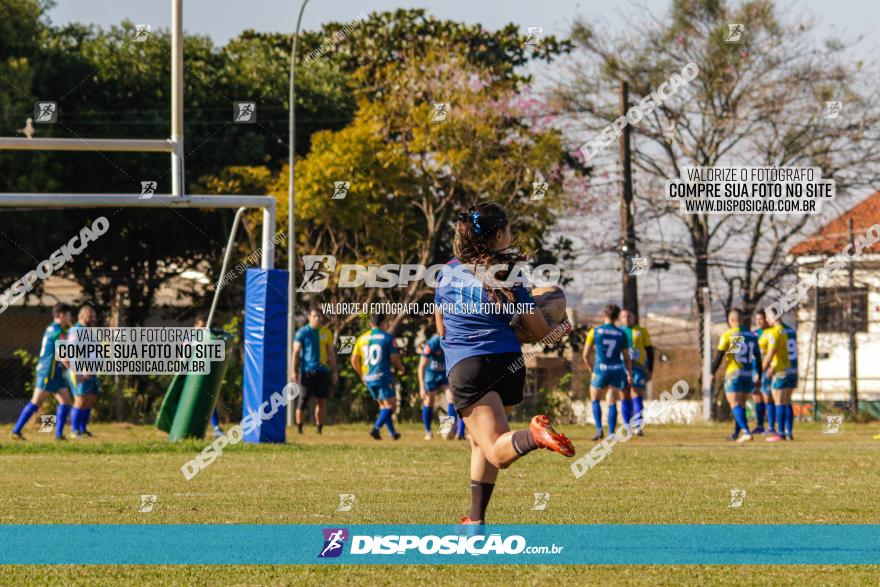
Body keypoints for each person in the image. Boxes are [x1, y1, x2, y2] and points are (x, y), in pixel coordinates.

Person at [436, 202, 574, 525]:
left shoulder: (446, 272)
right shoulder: (509, 275)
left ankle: (535, 435)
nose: (511, 235)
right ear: (498, 235)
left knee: (499, 451)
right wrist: (560, 328)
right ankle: (475, 520)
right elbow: (540, 331)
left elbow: (441, 328)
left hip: (469, 368)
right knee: (480, 443)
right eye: (508, 229)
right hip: (509, 365)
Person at [11, 303, 74, 440]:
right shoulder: (59, 332)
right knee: (36, 402)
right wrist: (74, 369)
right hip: (48, 373)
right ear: (61, 315)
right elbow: (63, 355)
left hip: (54, 372)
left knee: (66, 401)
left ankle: (58, 435)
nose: (70, 317)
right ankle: (16, 431)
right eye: (69, 315)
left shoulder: (51, 328)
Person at [583, 304, 633, 441]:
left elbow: (585, 355)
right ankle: (611, 433)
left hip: (601, 370)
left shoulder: (594, 331)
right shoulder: (622, 334)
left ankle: (599, 429)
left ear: (604, 315)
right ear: (617, 316)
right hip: (616, 370)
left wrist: (592, 369)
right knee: (611, 400)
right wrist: (629, 373)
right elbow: (627, 357)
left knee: (595, 399)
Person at [710, 309, 761, 443]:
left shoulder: (732, 334)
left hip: (735, 373)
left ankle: (746, 432)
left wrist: (712, 372)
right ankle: (736, 434)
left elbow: (721, 356)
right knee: (741, 405)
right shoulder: (751, 335)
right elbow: (758, 357)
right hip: (748, 373)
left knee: (735, 403)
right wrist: (759, 375)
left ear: (731, 320)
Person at [352, 314, 404, 440]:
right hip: (382, 376)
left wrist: (361, 375)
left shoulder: (361, 338)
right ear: (382, 324)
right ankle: (375, 429)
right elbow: (394, 358)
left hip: (368, 378)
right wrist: (400, 367)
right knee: (391, 406)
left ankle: (393, 434)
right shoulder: (387, 337)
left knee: (383, 406)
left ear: (370, 324)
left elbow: (354, 360)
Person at [291, 307, 337, 434]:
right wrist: (293, 371)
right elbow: (295, 352)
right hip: (307, 371)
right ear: (309, 317)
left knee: (321, 401)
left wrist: (334, 371)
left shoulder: (326, 332)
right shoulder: (302, 332)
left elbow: (331, 354)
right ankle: (299, 428)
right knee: (303, 399)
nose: (317, 318)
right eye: (314, 316)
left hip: (323, 372)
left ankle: (319, 429)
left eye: (319, 316)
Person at [418, 332, 464, 440]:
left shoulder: (453, 341)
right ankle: (428, 432)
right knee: (429, 400)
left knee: (451, 398)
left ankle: (446, 429)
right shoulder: (432, 343)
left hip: (444, 375)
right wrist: (422, 386)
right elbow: (422, 366)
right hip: (431, 375)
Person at [763, 312, 797, 442]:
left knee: (777, 401)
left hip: (779, 371)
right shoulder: (790, 330)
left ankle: (779, 432)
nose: (765, 320)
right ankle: (787, 432)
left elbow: (769, 353)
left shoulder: (773, 332)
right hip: (792, 370)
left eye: (766, 317)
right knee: (786, 401)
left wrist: (761, 370)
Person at [67, 304, 100, 438]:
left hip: (92, 372)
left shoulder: (89, 330)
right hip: (80, 371)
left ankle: (83, 429)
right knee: (80, 400)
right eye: (89, 316)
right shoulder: (76, 330)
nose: (93, 318)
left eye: (94, 316)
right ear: (81, 316)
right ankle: (74, 430)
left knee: (90, 399)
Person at [620, 309, 653, 436]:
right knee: (624, 394)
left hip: (638, 367)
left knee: (636, 392)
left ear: (634, 317)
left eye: (629, 316)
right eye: (624, 316)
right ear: (620, 318)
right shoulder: (619, 332)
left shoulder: (641, 331)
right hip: (622, 367)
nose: (626, 318)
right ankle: (627, 426)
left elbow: (649, 351)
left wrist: (650, 369)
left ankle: (638, 425)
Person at [193, 315, 224, 437]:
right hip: (191, 376)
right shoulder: (190, 341)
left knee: (209, 402)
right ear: (194, 327)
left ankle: (216, 427)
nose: (203, 330)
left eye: (205, 327)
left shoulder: (210, 340)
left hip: (204, 376)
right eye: (200, 327)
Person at [753, 309, 776, 435]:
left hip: (766, 370)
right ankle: (760, 425)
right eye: (756, 319)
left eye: (761, 319)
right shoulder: (754, 333)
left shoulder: (771, 332)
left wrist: (772, 367)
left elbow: (775, 351)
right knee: (757, 396)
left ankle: (772, 426)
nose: (758, 322)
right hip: (754, 369)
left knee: (767, 396)